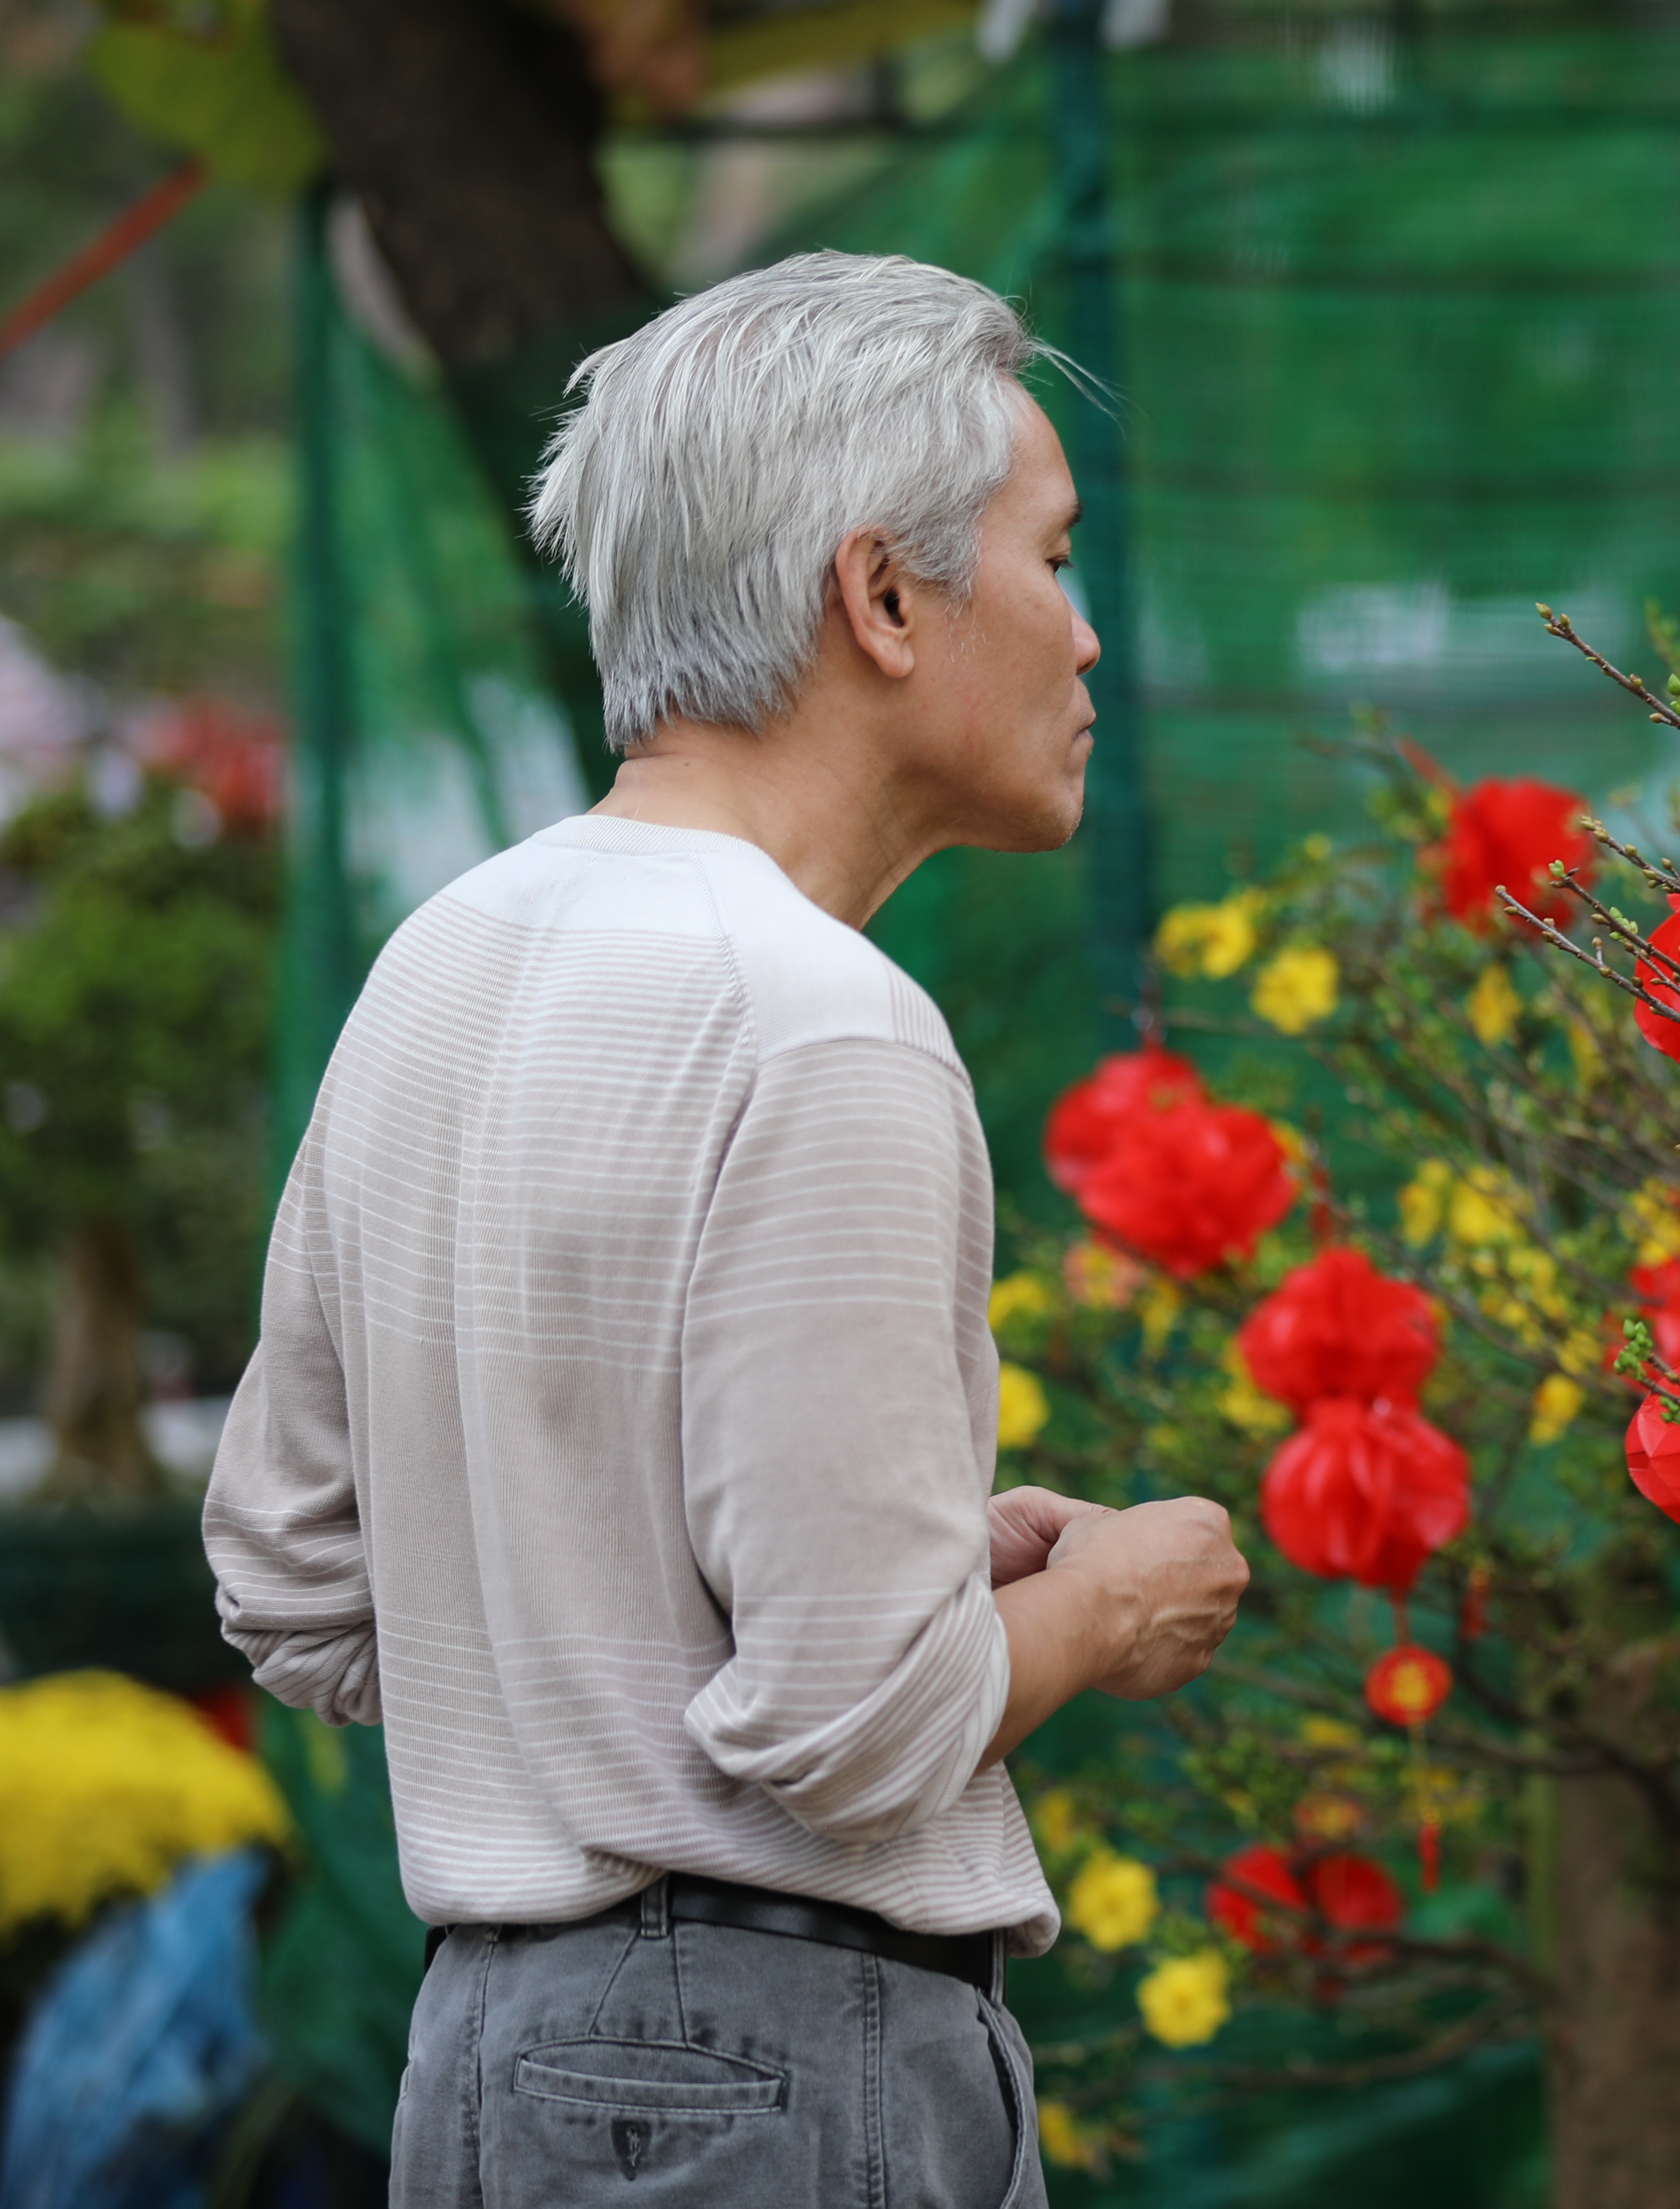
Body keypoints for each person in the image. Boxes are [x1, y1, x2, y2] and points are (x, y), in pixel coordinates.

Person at [202, 252, 1250, 2206]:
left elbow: (291, 1579)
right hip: (776, 2073)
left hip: (485, 2063)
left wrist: (587, 1651)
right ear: (881, 597)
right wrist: (1117, 1599)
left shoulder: (444, 957)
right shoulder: (825, 1020)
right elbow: (851, 1735)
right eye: (1053, 556)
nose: (1090, 638)